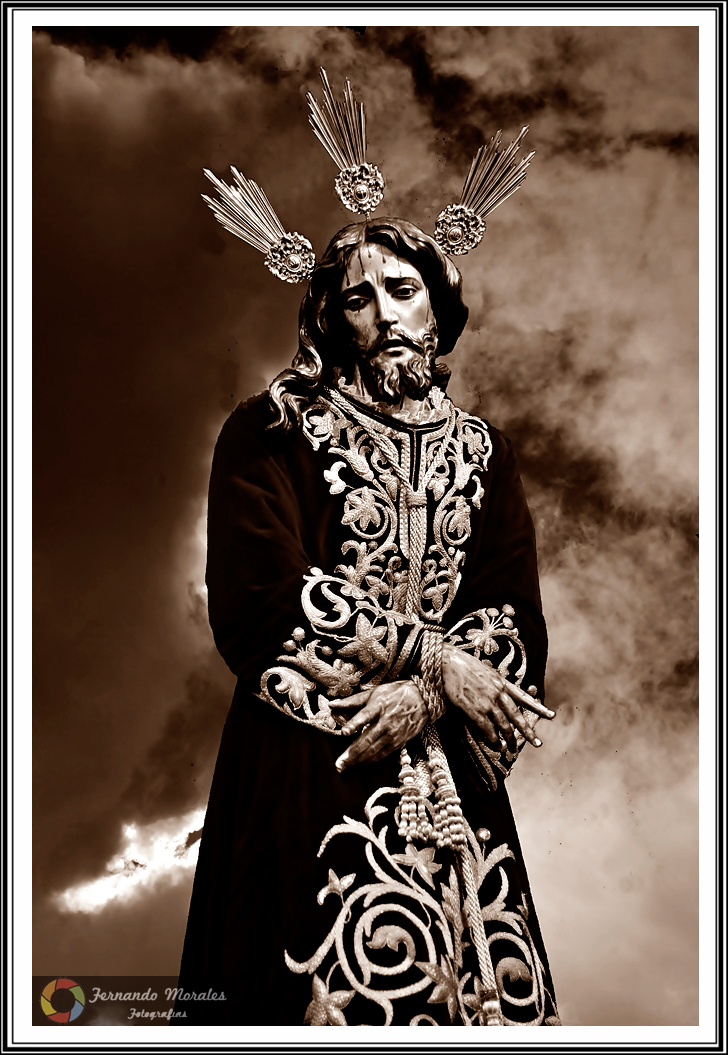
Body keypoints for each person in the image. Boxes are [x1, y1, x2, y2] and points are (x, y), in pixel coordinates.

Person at [174, 217, 561, 1026]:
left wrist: (430, 691)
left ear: (438, 307)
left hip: (453, 781)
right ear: (330, 318)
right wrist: (432, 655)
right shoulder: (271, 430)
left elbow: (513, 610)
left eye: (403, 290)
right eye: (358, 299)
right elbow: (261, 591)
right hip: (312, 758)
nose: (384, 314)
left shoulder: (487, 453)